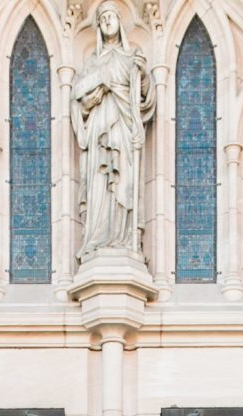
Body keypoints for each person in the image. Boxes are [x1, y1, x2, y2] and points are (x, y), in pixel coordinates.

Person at [71, 1, 155, 258]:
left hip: (124, 127)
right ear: (98, 25)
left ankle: (125, 237)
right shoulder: (93, 62)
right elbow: (78, 99)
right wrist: (90, 100)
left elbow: (146, 98)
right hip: (99, 132)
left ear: (120, 21)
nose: (107, 21)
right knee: (100, 184)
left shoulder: (132, 57)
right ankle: (99, 237)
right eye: (103, 17)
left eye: (111, 16)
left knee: (124, 181)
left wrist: (141, 74)